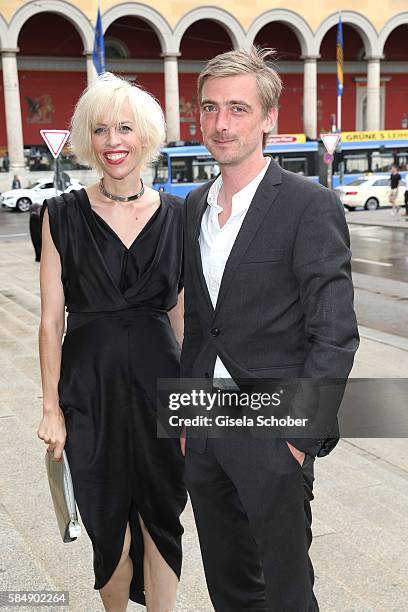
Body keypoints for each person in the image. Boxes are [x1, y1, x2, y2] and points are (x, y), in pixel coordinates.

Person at [181, 47, 359, 611]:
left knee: (284, 591)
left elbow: (335, 333)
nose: (220, 123)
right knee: (228, 586)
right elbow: (198, 326)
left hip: (274, 428)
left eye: (237, 109)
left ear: (268, 119)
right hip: (205, 426)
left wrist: (299, 437)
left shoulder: (310, 205)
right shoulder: (192, 208)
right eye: (210, 108)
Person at [36, 73, 187, 612]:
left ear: (145, 136)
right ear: (86, 139)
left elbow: (181, 318)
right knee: (108, 529)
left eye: (125, 127)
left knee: (162, 520)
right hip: (90, 392)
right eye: (100, 129)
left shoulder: (177, 216)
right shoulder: (61, 215)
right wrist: (51, 408)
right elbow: (51, 322)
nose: (113, 140)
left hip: (161, 392)